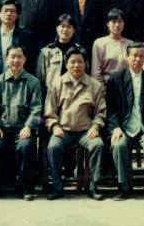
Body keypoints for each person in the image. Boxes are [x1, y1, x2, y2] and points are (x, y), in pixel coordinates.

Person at [44, 47, 106, 200]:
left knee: (98, 145)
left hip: (86, 131)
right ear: (66, 64)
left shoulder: (95, 85)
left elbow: (101, 112)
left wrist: (96, 126)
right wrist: (55, 126)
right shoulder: (56, 84)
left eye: (80, 62)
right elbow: (49, 111)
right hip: (63, 130)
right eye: (72, 62)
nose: (76, 65)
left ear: (85, 64)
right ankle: (57, 187)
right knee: (53, 147)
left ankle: (94, 186)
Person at [106, 43, 144, 201]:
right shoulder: (115, 79)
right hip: (124, 128)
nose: (137, 59)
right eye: (134, 55)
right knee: (118, 145)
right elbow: (110, 108)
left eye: (141, 56)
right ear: (127, 57)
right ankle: (123, 186)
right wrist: (116, 128)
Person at [0, 44, 42, 201]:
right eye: (12, 56)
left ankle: (25, 187)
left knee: (25, 146)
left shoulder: (33, 82)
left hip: (23, 129)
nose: (16, 60)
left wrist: (29, 126)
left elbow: (37, 109)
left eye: (19, 57)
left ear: (25, 59)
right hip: (2, 128)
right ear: (6, 59)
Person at [0, 0, 32, 87]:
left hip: (19, 82)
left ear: (17, 15)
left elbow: (29, 63)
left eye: (12, 11)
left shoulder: (25, 36)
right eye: (6, 11)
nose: (9, 14)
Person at [36, 14, 83, 96]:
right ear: (57, 28)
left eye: (69, 27)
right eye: (62, 26)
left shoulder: (80, 51)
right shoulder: (46, 52)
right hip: (52, 95)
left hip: (74, 95)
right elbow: (40, 78)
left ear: (74, 30)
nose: (65, 30)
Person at [91, 9, 134, 83]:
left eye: (120, 21)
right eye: (113, 22)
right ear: (108, 24)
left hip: (127, 85)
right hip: (107, 85)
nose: (117, 25)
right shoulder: (99, 43)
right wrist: (102, 88)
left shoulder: (130, 44)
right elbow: (95, 73)